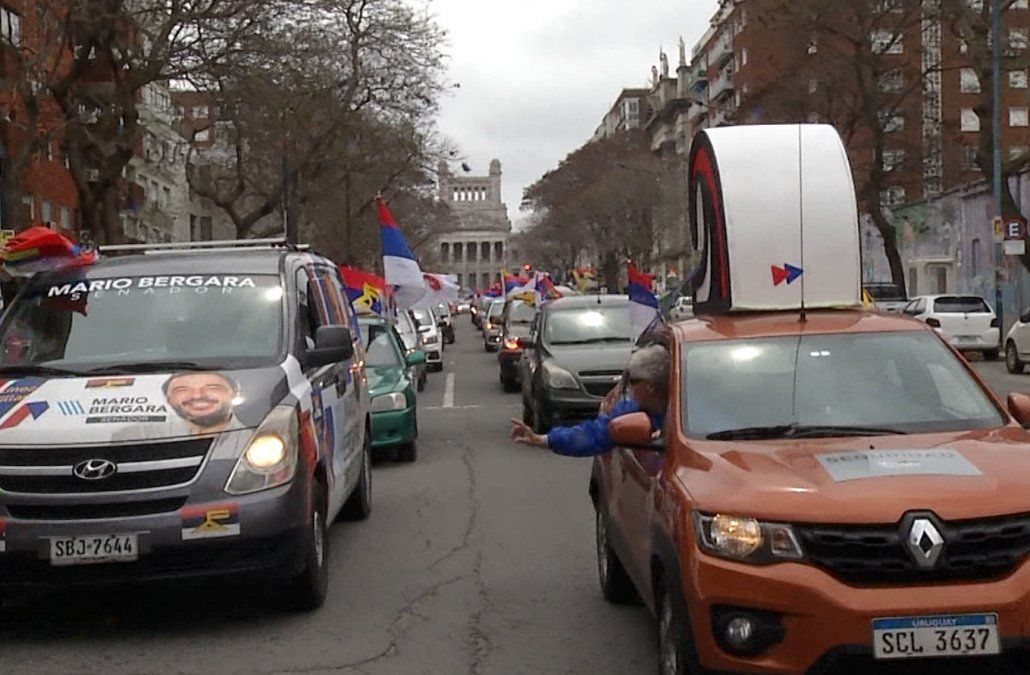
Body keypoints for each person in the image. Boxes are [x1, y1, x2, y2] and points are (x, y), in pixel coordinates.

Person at [509, 344, 669, 457]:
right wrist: (543, 439)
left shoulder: (685, 412)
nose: (628, 388)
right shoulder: (631, 410)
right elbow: (594, 434)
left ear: (650, 386)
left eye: (632, 381)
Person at [163, 371, 243, 435]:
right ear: (167, 398)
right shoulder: (154, 436)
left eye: (212, 388)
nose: (197, 395)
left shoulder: (252, 439)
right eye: (182, 390)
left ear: (235, 394)